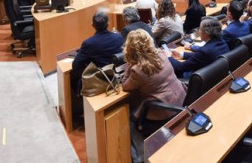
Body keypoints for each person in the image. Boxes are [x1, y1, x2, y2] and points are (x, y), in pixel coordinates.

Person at [121, 30, 186, 163]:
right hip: (180, 102)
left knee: (128, 120)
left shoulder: (137, 70)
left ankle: (140, 157)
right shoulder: (161, 54)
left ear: (130, 48)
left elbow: (125, 86)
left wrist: (130, 64)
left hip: (162, 111)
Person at [72, 11, 124, 94]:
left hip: (100, 80)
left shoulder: (89, 43)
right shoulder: (119, 37)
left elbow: (75, 65)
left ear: (93, 25)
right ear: (108, 24)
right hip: (118, 76)